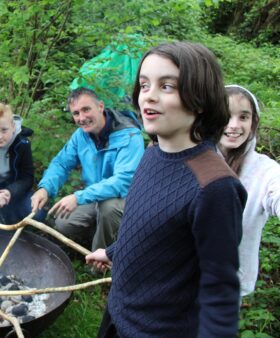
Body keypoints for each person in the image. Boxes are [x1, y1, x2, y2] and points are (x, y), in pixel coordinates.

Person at [86, 41, 247, 337]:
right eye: (145, 85)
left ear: (199, 99)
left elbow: (220, 292)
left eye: (167, 87)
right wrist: (115, 252)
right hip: (119, 314)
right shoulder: (152, 153)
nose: (149, 97)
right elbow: (149, 225)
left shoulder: (215, 187)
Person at [30, 87, 144, 251]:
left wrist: (78, 197)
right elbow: (61, 163)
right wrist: (45, 188)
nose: (82, 118)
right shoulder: (81, 136)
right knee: (63, 222)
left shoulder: (130, 136)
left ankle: (102, 262)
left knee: (109, 208)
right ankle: (103, 234)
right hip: (96, 196)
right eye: (76, 113)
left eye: (86, 109)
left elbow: (123, 181)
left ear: (100, 107)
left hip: (125, 200)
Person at [218, 85, 280, 298]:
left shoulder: (265, 170)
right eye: (226, 116)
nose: (234, 125)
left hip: (228, 288)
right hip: (180, 278)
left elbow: (277, 190)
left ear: (253, 123)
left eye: (243, 117)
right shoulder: (192, 159)